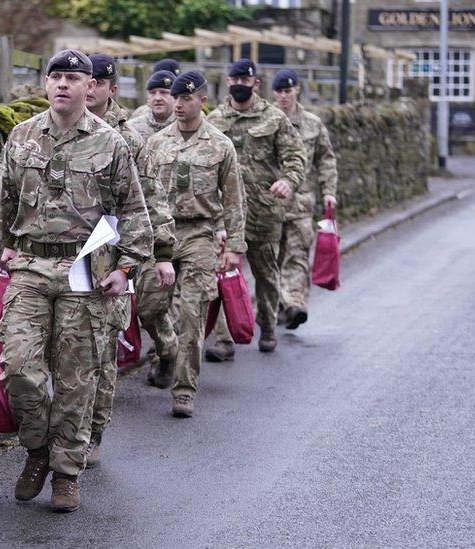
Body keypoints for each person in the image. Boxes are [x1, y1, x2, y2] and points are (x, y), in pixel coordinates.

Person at [0, 49, 153, 513]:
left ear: (91, 87)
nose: (63, 84)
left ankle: (66, 473)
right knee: (19, 367)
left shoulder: (111, 143)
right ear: (45, 84)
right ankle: (37, 450)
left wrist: (126, 268)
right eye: (56, 77)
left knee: (75, 378)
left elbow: (134, 213)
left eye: (73, 77)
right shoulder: (23, 136)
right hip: (29, 266)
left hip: (86, 270)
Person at [137, 70, 246, 418]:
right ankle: (166, 349)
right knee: (149, 307)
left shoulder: (220, 145)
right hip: (160, 236)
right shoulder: (156, 144)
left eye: (186, 98)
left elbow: (233, 199)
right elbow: (140, 196)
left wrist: (233, 246)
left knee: (191, 313)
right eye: (176, 98)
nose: (179, 104)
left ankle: (184, 390)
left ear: (202, 100)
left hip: (200, 234)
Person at [84, 53, 175, 468]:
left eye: (95, 82)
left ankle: (93, 430)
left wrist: (160, 255)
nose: (87, 89)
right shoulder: (52, 127)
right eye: (82, 79)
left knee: (103, 350)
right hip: (61, 254)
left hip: (112, 255)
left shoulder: (132, 139)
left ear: (110, 88)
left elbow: (151, 202)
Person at [205, 59, 305, 359]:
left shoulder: (274, 119)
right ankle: (225, 338)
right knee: (223, 273)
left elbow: (295, 156)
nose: (238, 85)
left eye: (244, 81)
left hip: (264, 211)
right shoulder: (216, 120)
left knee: (265, 273)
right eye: (233, 80)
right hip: (226, 214)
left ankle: (268, 326)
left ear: (255, 84)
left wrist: (289, 181)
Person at [272, 69, 338, 330]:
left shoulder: (312, 123)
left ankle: (295, 304)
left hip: (301, 204)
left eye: (288, 91)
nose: (284, 96)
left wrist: (329, 191)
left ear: (297, 90)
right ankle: (278, 305)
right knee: (272, 260)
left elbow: (326, 158)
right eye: (279, 92)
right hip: (271, 204)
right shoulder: (268, 121)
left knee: (297, 255)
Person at [129, 70, 177, 142]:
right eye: (152, 93)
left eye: (164, 92)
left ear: (175, 96)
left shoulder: (185, 126)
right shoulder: (132, 128)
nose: (157, 98)